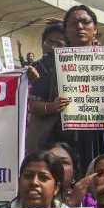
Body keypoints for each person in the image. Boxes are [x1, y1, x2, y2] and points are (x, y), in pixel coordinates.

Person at [37, 5, 104, 171]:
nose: (79, 27)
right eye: (73, 23)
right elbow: (32, 104)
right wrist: (51, 107)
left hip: (103, 141)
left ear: (95, 29)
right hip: (66, 143)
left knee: (102, 189)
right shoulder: (50, 65)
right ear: (66, 31)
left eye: (85, 22)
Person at [26, 23, 68, 152]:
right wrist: (51, 107)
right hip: (41, 140)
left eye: (59, 44)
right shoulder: (35, 69)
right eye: (49, 42)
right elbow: (30, 105)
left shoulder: (76, 69)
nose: (52, 47)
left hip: (69, 140)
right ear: (42, 43)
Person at [45, 141, 77, 206]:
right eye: (52, 161)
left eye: (64, 162)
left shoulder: (86, 201)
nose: (58, 166)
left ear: (74, 173)